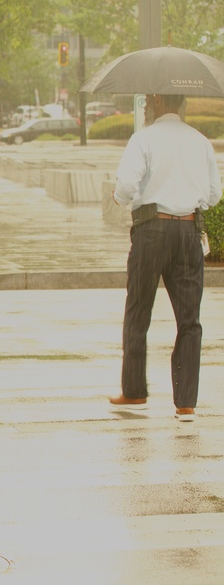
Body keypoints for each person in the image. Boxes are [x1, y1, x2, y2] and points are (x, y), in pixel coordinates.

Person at [109, 93, 222, 422]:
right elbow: (213, 195)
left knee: (138, 311)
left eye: (147, 103)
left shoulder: (142, 139)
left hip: (152, 231)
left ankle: (134, 391)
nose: (144, 108)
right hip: (189, 232)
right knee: (190, 320)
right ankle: (185, 403)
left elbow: (127, 185)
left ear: (158, 102)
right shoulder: (200, 142)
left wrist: (119, 196)